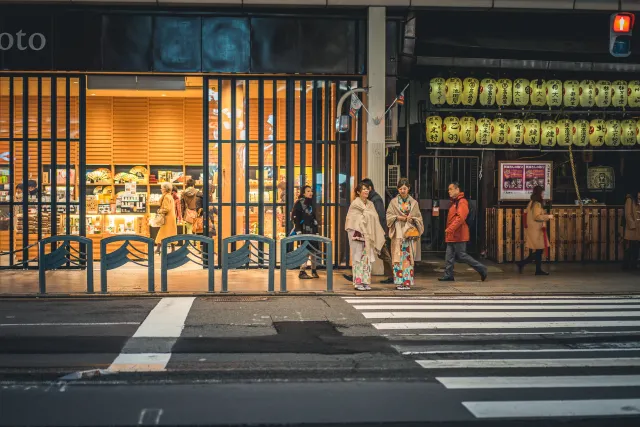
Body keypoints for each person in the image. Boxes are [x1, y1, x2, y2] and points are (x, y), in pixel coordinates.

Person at [343, 178, 394, 284]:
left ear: (370, 189)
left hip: (370, 234)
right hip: (358, 235)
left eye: (367, 189)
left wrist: (378, 230)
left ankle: (366, 281)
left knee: (368, 259)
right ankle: (357, 280)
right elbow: (352, 219)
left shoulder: (372, 202)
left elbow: (377, 216)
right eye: (363, 189)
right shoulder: (355, 204)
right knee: (358, 257)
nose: (366, 191)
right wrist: (365, 219)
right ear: (358, 192)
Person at [439, 182, 488, 282]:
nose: (449, 191)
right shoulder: (454, 202)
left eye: (451, 189)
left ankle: (482, 268)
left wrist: (450, 229)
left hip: (459, 234)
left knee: (462, 255)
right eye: (449, 189)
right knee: (449, 255)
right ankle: (448, 275)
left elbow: (460, 218)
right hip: (453, 235)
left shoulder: (461, 202)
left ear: (457, 190)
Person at [386, 178, 424, 290]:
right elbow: (388, 216)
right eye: (401, 188)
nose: (403, 190)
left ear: (408, 189)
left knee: (407, 257)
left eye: (405, 188)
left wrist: (413, 219)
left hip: (409, 233)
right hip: (398, 230)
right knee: (398, 257)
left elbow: (419, 217)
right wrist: (398, 217)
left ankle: (407, 281)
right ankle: (399, 281)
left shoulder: (414, 203)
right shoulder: (393, 202)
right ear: (398, 189)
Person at [516, 185, 554, 275]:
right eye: (542, 193)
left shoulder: (531, 203)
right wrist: (548, 216)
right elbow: (536, 217)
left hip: (533, 229)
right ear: (539, 194)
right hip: (536, 230)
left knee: (538, 251)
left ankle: (537, 269)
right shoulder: (536, 204)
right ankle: (523, 264)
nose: (543, 195)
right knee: (539, 251)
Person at [291, 185, 320, 280]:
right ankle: (302, 271)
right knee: (305, 250)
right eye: (308, 191)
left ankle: (314, 270)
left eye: (311, 191)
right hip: (304, 230)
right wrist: (298, 230)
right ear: (303, 193)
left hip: (312, 230)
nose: (310, 193)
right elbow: (295, 217)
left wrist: (316, 231)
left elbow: (314, 218)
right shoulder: (299, 203)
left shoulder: (310, 203)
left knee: (314, 250)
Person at [155, 182, 178, 254]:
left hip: (167, 218)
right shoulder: (170, 196)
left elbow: (166, 209)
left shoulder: (166, 197)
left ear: (165, 189)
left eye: (161, 188)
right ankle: (172, 249)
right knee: (171, 233)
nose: (161, 189)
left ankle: (158, 249)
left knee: (161, 233)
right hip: (171, 217)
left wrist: (159, 210)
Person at [623, 189, 640, 270]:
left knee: (636, 247)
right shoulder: (630, 199)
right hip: (632, 228)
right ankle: (626, 265)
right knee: (630, 246)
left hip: (639, 227)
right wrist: (632, 225)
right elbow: (628, 214)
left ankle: (634, 264)